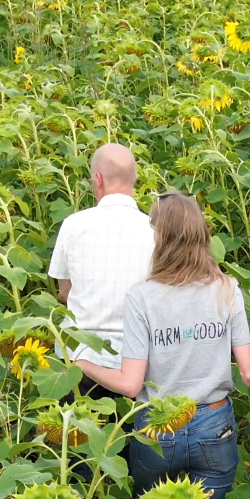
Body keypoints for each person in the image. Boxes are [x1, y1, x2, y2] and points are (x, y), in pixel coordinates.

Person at [75, 191, 250, 499]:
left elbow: (129, 383)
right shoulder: (227, 289)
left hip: (156, 433)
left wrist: (82, 363)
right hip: (213, 426)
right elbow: (249, 371)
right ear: (202, 233)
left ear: (158, 237)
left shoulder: (143, 297)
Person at [48, 143, 155, 400]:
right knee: (130, 436)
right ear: (134, 180)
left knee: (77, 436)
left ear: (98, 179)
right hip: (136, 363)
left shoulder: (73, 225)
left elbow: (64, 293)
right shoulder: (155, 230)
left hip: (80, 358)